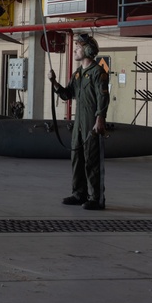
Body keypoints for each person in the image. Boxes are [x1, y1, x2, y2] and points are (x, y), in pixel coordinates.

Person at [48, 33, 110, 210]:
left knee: (92, 160)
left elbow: (103, 98)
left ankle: (96, 198)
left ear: (88, 50)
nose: (75, 50)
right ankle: (78, 194)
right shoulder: (77, 74)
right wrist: (54, 83)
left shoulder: (98, 72)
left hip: (91, 121)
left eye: (78, 47)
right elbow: (67, 94)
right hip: (79, 123)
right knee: (77, 158)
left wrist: (100, 119)